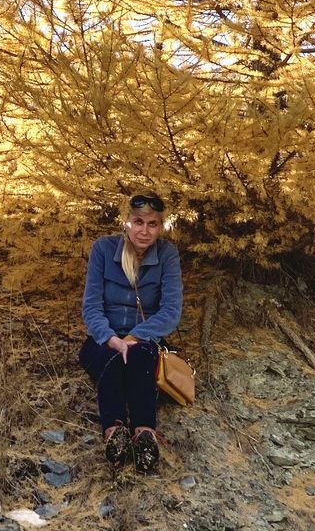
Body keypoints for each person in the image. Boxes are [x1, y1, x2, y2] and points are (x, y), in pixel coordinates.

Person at [78, 193, 183, 472]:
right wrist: (111, 338)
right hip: (104, 337)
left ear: (160, 227)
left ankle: (144, 433)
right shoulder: (103, 249)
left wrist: (134, 337)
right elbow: (91, 307)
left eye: (152, 224)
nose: (144, 230)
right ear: (126, 222)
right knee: (111, 360)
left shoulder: (167, 255)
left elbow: (170, 311)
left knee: (139, 360)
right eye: (138, 222)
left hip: (144, 337)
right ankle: (114, 433)